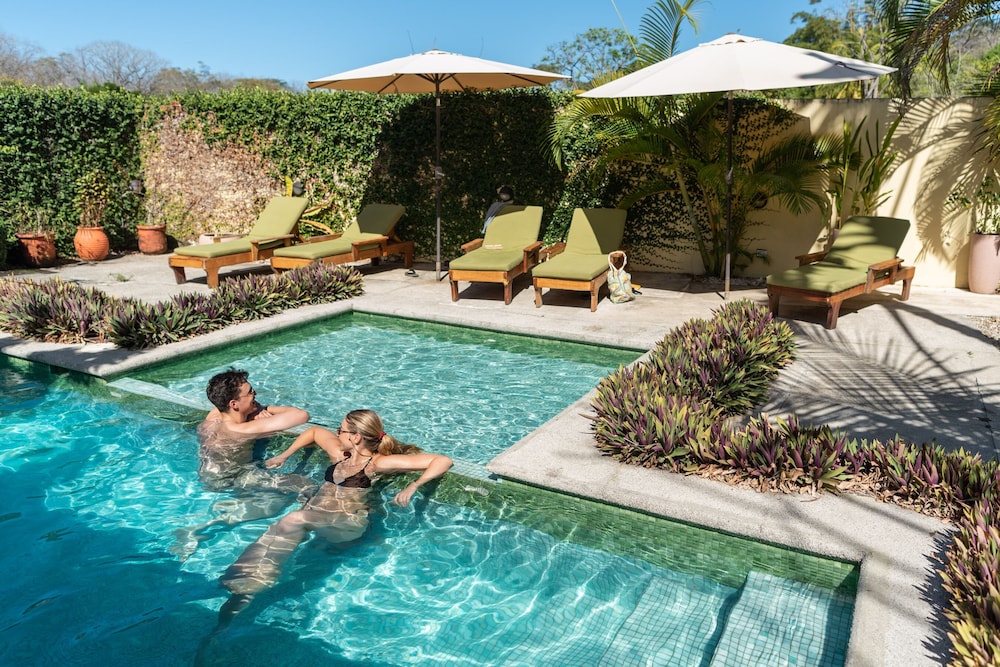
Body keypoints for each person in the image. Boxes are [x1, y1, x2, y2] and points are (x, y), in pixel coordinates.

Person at [215, 409, 452, 623]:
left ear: (356, 437)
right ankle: (243, 576)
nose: (337, 433)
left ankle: (257, 580)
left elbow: (442, 460)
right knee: (282, 527)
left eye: (341, 430)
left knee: (295, 518)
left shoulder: (376, 464)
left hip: (347, 525)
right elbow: (314, 431)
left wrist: (414, 485)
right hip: (321, 519)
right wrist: (285, 455)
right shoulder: (340, 455)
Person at [172, 368, 316, 561]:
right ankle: (301, 526)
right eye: (250, 392)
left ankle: (204, 527)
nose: (255, 394)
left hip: (208, 474)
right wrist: (266, 409)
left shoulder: (212, 418)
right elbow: (301, 415)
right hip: (234, 476)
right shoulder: (243, 429)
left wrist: (250, 408)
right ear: (234, 404)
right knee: (304, 484)